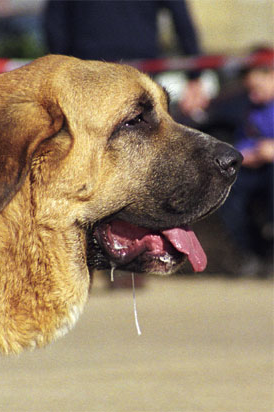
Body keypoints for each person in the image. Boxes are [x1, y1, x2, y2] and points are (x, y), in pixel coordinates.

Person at [44, 0, 209, 117]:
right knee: (142, 131)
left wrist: (64, 69)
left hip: (90, 68)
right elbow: (181, 18)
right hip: (141, 67)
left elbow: (54, 24)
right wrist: (194, 75)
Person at [219, 64, 274, 276]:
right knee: (229, 190)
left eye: (257, 88)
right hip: (257, 169)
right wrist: (248, 153)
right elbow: (244, 141)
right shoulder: (251, 109)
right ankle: (251, 252)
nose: (252, 94)